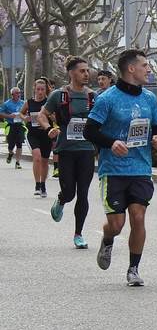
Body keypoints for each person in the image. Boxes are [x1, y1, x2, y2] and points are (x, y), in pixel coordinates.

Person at [83, 50, 157, 287]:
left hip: (141, 168)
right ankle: (108, 238)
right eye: (145, 65)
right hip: (113, 171)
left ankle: (133, 269)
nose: (149, 69)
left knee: (138, 217)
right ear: (131, 69)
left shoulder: (150, 99)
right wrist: (111, 142)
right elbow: (89, 131)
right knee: (117, 225)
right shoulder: (107, 98)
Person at [41, 56, 97, 248]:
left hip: (86, 151)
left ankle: (78, 234)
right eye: (82, 71)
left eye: (87, 70)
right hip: (66, 151)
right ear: (71, 73)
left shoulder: (93, 97)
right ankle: (61, 199)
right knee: (69, 192)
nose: (86, 74)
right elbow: (42, 115)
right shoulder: (59, 95)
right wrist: (49, 129)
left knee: (83, 193)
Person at [22, 78, 53, 197]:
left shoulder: (49, 103)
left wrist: (49, 118)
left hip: (45, 135)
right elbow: (21, 113)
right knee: (37, 157)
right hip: (33, 134)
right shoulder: (29, 102)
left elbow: (55, 118)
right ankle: (37, 185)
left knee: (45, 161)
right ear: (34, 89)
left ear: (46, 90)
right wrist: (24, 117)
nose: (40, 92)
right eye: (38, 89)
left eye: (42, 89)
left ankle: (43, 185)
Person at [3, 87, 26, 168]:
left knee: (19, 144)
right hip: (11, 125)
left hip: (20, 125)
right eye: (17, 93)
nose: (19, 95)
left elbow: (27, 113)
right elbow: (1, 113)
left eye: (19, 93)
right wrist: (9, 115)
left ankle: (17, 162)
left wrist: (24, 116)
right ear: (12, 95)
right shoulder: (7, 104)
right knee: (11, 145)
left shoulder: (23, 103)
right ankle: (10, 153)